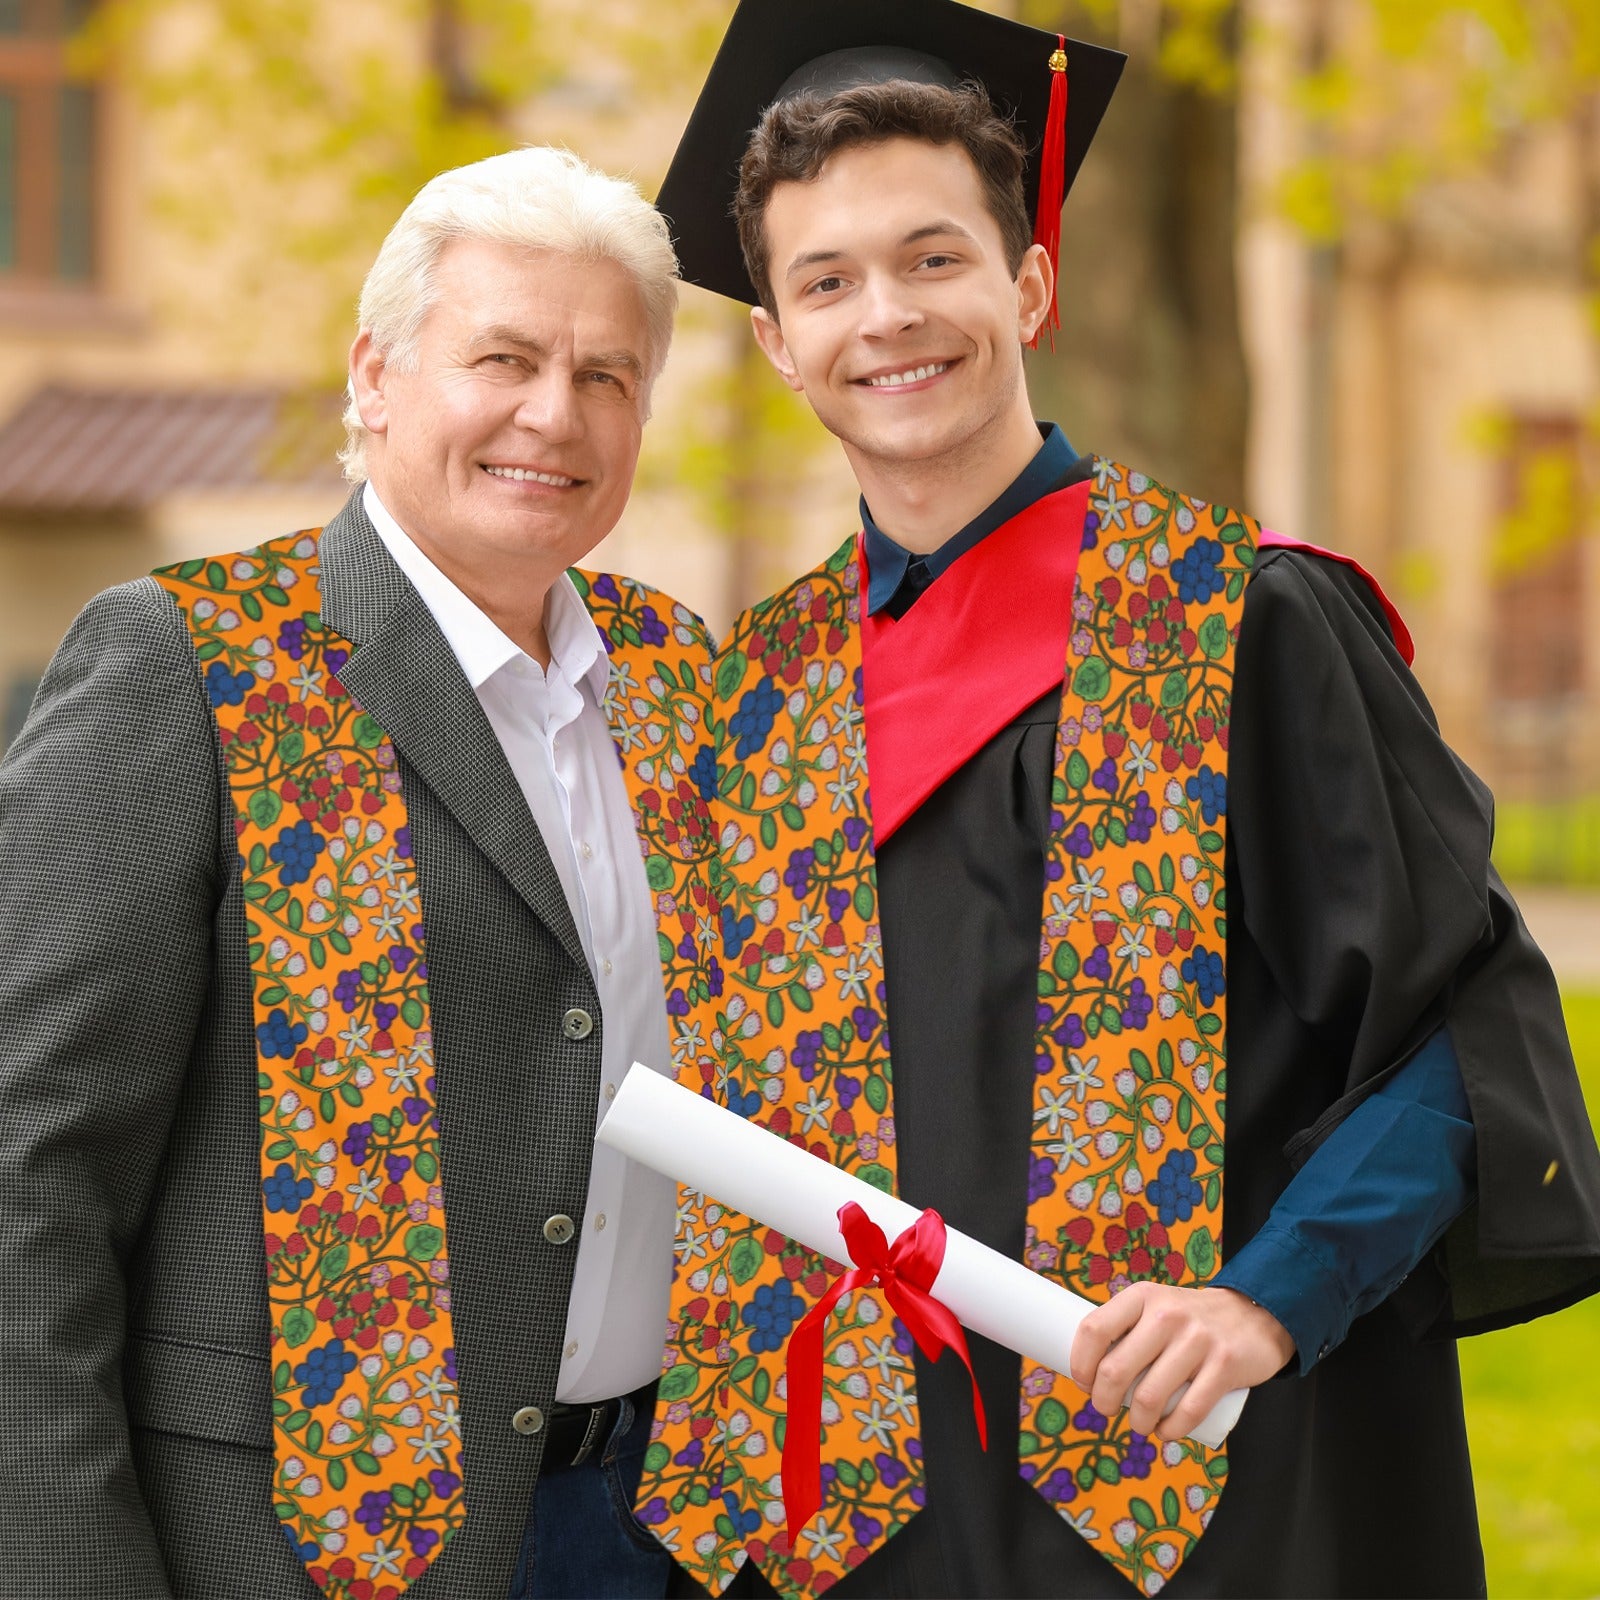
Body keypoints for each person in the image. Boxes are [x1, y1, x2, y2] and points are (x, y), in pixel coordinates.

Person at [635, 3, 1600, 1597]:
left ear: (1029, 282)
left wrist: (1269, 1299)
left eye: (934, 258)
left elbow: (1462, 1032)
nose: (887, 316)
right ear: (777, 341)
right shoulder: (762, 699)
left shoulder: (1239, 623)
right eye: (827, 281)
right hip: (863, 1526)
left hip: (1201, 1492)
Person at [0, 146, 716, 1600]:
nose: (552, 414)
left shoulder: (681, 682)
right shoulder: (192, 666)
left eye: (606, 375)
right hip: (290, 1551)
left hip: (654, 1531)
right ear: (376, 377)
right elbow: (29, 1175)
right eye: (503, 357)